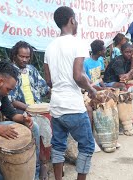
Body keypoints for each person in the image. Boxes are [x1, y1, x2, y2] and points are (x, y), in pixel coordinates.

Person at [44, 6, 97, 180]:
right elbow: (77, 76)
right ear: (72, 20)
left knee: (58, 145)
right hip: (72, 106)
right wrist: (90, 89)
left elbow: (49, 80)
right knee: (87, 146)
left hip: (56, 106)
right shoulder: (78, 43)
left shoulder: (50, 47)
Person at [9, 41, 50, 113]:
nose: (24, 60)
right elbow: (10, 100)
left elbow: (44, 89)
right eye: (21, 56)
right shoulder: (9, 71)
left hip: (36, 108)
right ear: (15, 55)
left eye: (27, 57)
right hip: (19, 112)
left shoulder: (32, 70)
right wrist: (29, 108)